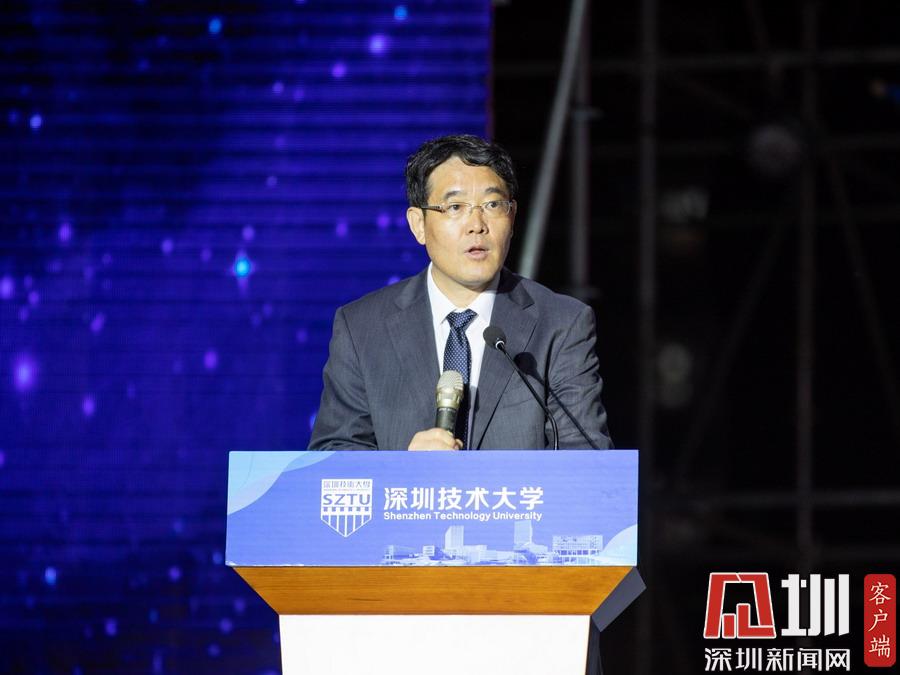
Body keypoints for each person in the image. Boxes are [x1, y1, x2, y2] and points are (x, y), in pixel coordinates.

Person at [309, 134, 611, 452]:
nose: (477, 225)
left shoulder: (561, 324)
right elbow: (335, 452)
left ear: (512, 216)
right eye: (455, 207)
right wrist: (400, 470)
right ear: (418, 224)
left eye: (492, 205)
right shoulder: (362, 327)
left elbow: (585, 456)